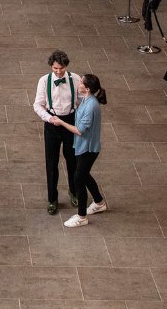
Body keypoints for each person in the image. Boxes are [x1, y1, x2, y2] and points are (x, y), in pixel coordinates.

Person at [32, 50, 80, 214]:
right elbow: (37, 105)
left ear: (66, 66)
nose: (58, 72)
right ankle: (52, 198)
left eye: (61, 68)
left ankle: (74, 192)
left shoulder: (75, 79)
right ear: (51, 67)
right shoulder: (44, 81)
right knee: (51, 163)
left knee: (72, 159)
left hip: (70, 122)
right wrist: (48, 118)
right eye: (55, 69)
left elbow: (82, 100)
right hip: (52, 124)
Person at [61, 73, 108, 227]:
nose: (78, 83)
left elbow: (80, 130)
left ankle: (82, 216)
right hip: (83, 147)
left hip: (88, 149)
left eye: (80, 82)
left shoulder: (91, 105)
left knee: (79, 179)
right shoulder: (86, 100)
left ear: (87, 89)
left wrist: (60, 122)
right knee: (84, 175)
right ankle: (99, 202)